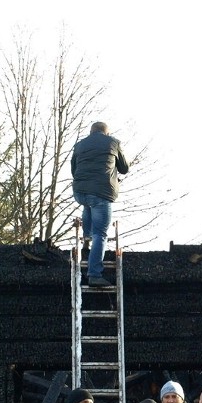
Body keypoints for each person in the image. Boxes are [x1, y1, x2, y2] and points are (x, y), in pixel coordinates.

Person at [70, 121, 129, 286]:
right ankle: (94, 274)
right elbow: (124, 168)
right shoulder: (113, 142)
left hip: (80, 192)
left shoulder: (79, 145)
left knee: (88, 204)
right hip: (101, 193)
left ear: (91, 132)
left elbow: (73, 170)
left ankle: (86, 243)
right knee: (100, 234)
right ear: (107, 133)